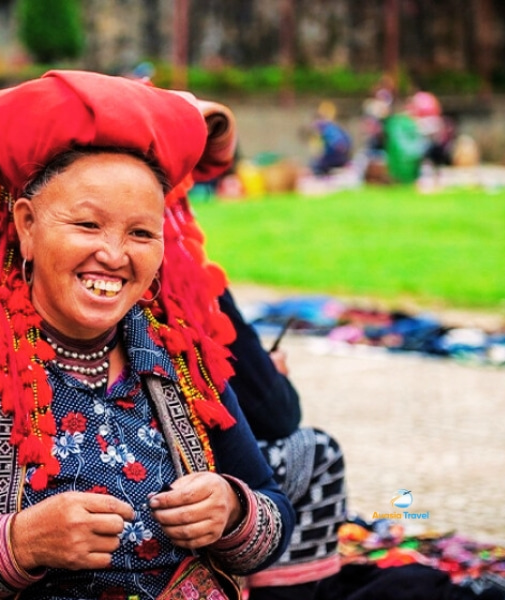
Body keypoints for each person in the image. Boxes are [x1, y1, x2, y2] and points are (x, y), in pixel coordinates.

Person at [0, 70, 294, 600]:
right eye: (87, 225)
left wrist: (233, 509)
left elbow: (273, 508)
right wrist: (18, 544)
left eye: (142, 233)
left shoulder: (182, 365)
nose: (116, 255)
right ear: (27, 224)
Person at [162, 101, 347, 600]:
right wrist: (272, 377)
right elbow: (277, 415)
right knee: (316, 451)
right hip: (169, 482)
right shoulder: (178, 271)